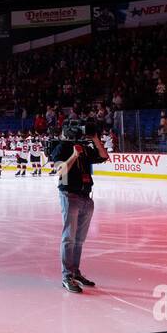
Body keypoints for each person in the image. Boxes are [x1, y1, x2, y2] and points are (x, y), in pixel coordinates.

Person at [46, 121, 108, 294]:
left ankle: (75, 272)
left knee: (79, 239)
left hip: (86, 197)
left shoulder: (84, 147)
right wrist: (74, 155)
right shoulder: (60, 148)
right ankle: (67, 276)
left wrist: (95, 139)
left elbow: (103, 156)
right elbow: (60, 171)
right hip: (69, 195)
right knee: (69, 238)